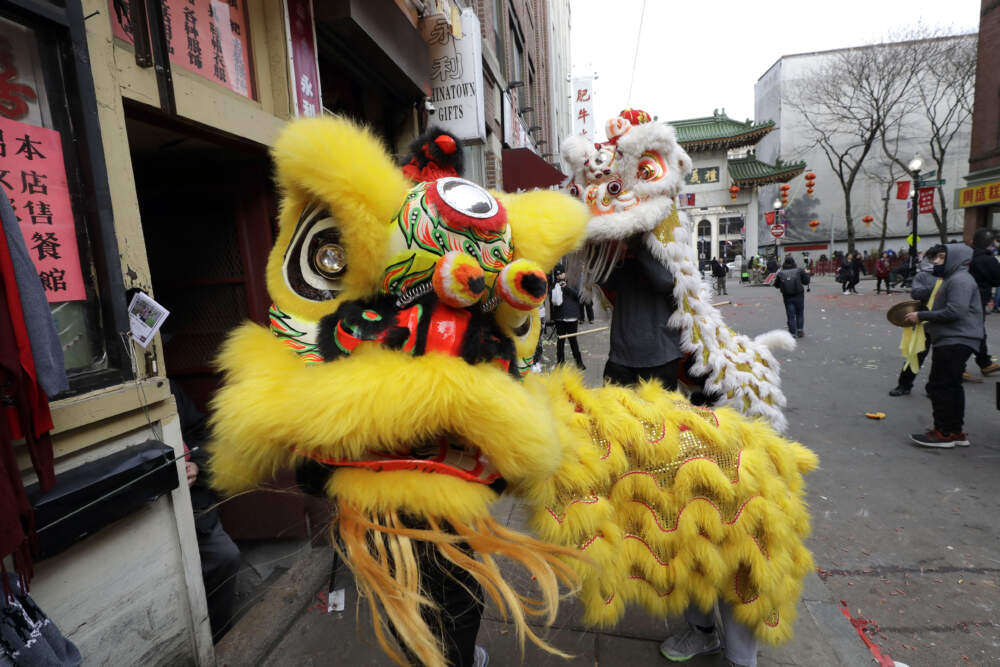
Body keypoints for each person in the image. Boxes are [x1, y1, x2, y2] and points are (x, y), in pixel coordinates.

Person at [170, 380, 242, 640]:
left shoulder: (168, 389)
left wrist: (196, 467)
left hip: (194, 502)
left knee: (225, 556)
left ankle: (220, 637)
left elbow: (203, 434)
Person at [903, 244, 984, 447]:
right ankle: (954, 431)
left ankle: (944, 432)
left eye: (941, 258)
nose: (936, 262)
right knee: (951, 386)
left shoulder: (959, 280)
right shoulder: (955, 279)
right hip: (954, 338)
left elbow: (955, 311)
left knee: (941, 385)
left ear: (955, 259)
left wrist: (921, 316)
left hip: (955, 339)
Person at [600, 236, 682, 389]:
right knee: (611, 410)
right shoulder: (624, 263)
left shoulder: (670, 255)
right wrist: (599, 249)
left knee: (659, 412)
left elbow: (665, 282)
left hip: (660, 357)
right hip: (621, 357)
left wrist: (637, 244)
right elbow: (603, 280)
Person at [889, 246, 944, 396]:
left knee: (941, 359)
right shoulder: (923, 276)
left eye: (942, 257)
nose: (937, 261)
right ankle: (904, 385)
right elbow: (915, 293)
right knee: (915, 354)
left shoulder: (951, 275)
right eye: (935, 258)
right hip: (924, 322)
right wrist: (936, 288)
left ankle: (934, 387)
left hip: (944, 322)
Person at [966, 228, 1000, 377]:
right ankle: (959, 366)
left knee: (975, 331)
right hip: (978, 299)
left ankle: (984, 362)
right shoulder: (988, 260)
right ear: (991, 243)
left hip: (962, 298)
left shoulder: (966, 256)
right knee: (975, 333)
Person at [550, 264, 585, 370]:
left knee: (573, 341)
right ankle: (560, 364)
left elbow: (579, 296)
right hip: (559, 317)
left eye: (561, 274)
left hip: (571, 317)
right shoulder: (553, 284)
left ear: (565, 273)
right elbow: (552, 300)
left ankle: (579, 363)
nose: (559, 276)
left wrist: (566, 287)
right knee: (560, 341)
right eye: (557, 275)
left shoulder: (574, 281)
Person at [773, 256, 810, 338]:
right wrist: (807, 273)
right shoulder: (799, 270)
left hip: (787, 296)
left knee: (790, 315)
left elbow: (776, 285)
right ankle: (800, 330)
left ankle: (792, 333)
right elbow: (806, 281)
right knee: (800, 313)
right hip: (799, 295)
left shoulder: (781, 273)